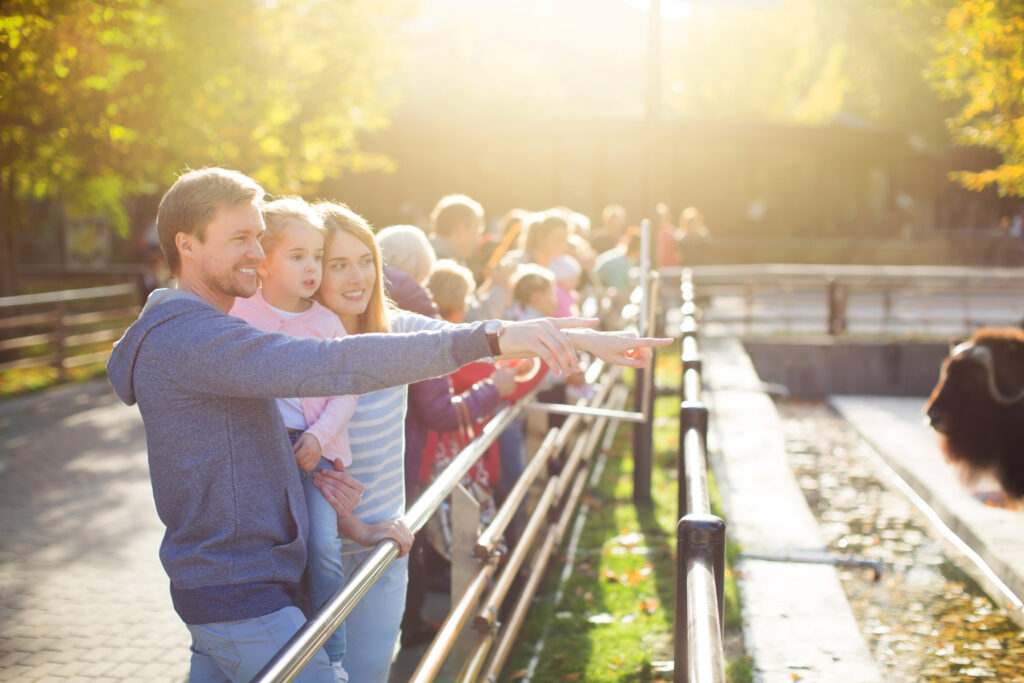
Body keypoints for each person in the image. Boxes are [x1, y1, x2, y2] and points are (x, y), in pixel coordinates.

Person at [107, 167, 661, 683]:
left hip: (246, 586)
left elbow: (262, 451)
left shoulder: (206, 329)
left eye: (259, 237)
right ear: (187, 244)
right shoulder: (196, 339)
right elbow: (334, 364)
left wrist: (351, 524)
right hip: (239, 594)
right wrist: (499, 339)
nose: (257, 252)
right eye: (240, 239)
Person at [313, 202, 671, 681]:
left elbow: (481, 337)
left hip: (384, 545)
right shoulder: (293, 346)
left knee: (369, 672)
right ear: (311, 270)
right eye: (338, 264)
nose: (357, 276)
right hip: (317, 546)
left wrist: (588, 342)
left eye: (365, 261)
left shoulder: (397, 328)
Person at [228, 198, 406, 681]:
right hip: (265, 457)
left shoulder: (335, 325)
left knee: (321, 544)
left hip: (320, 458)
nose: (312, 268)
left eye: (318, 258)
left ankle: (330, 652)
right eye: (333, 263)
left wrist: (317, 438)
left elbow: (347, 391)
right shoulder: (241, 314)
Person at [428, 194, 513, 321]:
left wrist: (491, 282)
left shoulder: (432, 255)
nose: (478, 239)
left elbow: (471, 304)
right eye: (477, 231)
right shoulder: (445, 267)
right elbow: (475, 321)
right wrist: (500, 286)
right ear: (461, 228)